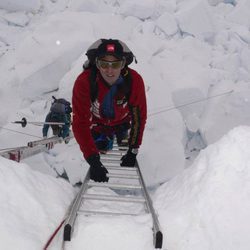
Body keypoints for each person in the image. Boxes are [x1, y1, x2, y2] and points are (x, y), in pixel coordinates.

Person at [72, 39, 147, 182]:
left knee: (123, 141)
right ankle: (105, 140)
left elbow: (139, 117)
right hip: (98, 125)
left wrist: (133, 150)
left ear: (123, 64)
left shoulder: (134, 80)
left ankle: (120, 135)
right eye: (104, 64)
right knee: (101, 148)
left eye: (116, 64)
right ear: (97, 64)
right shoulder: (85, 81)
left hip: (122, 122)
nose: (110, 70)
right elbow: (80, 122)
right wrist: (93, 160)